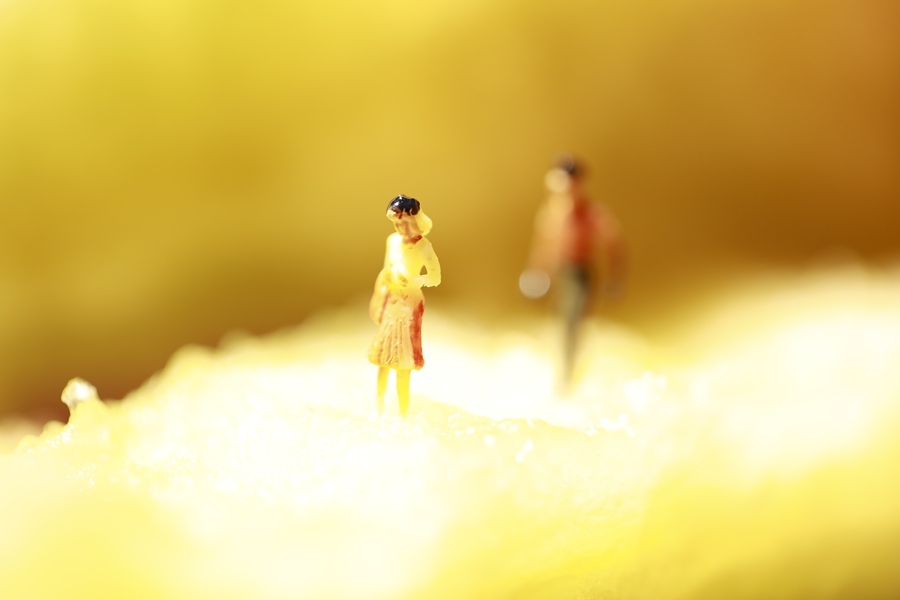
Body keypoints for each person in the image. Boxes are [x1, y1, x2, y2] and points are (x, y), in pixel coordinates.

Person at [520, 156, 626, 387]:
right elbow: (544, 245)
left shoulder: (593, 213)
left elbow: (614, 244)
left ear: (580, 183)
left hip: (580, 274)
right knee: (559, 321)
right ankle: (562, 371)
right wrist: (536, 271)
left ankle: (568, 376)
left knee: (573, 323)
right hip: (561, 274)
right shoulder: (551, 212)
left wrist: (615, 277)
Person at [368, 195, 441, 415]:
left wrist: (413, 280)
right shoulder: (392, 241)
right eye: (396, 223)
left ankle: (403, 413)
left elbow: (435, 277)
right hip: (392, 298)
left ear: (417, 220)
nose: (401, 228)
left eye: (405, 223)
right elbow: (386, 267)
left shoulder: (424, 247)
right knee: (383, 360)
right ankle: (378, 408)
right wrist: (386, 283)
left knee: (403, 362)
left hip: (409, 304)